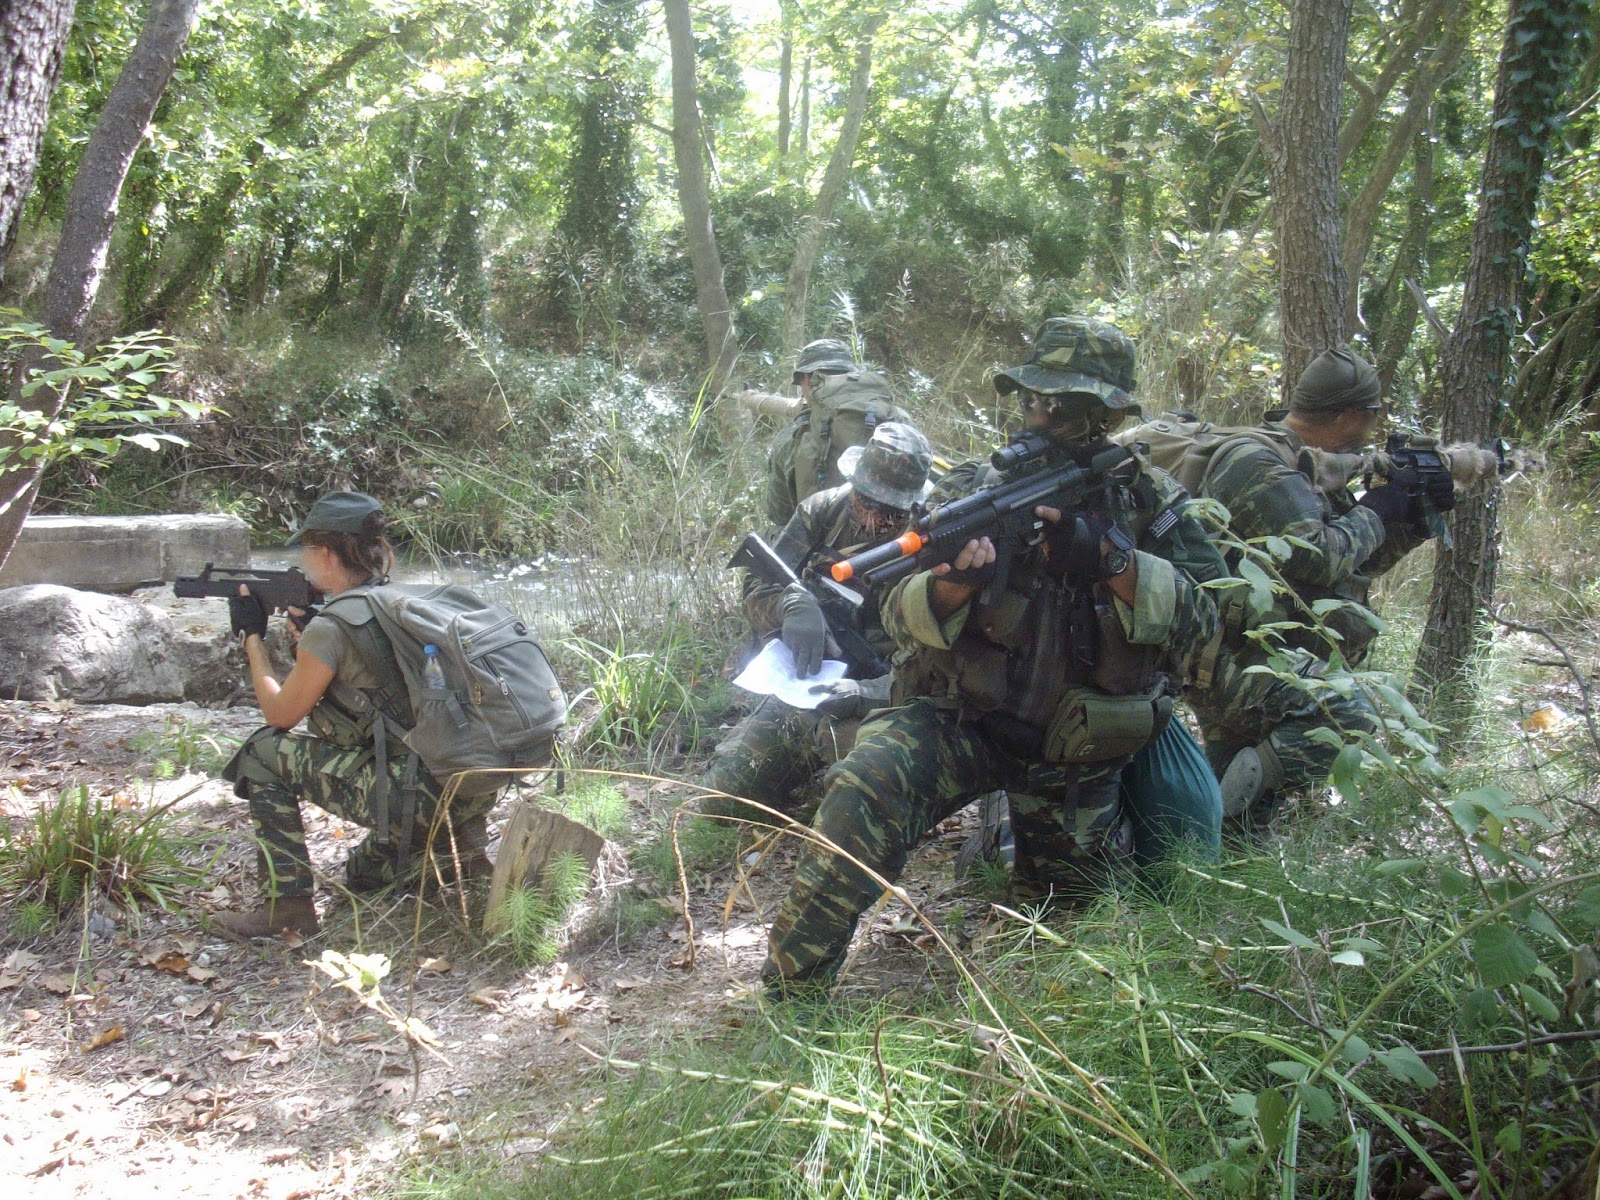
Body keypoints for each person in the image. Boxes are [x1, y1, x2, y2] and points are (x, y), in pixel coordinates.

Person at [761, 317, 1230, 994]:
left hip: (1079, 747)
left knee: (1072, 939)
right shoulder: (974, 493)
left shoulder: (1148, 504)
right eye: (1033, 402)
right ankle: (791, 999)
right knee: (864, 789)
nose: (1039, 420)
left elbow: (1212, 626)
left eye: (1063, 411)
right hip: (963, 720)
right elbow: (893, 613)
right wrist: (954, 586)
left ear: (1105, 418)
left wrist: (1114, 562)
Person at [211, 492, 501, 937]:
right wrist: (310, 636)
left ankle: (286, 906)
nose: (304, 562)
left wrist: (252, 638)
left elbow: (279, 715)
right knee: (364, 877)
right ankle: (451, 853)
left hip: (414, 795)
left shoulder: (332, 625)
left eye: (307, 551)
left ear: (325, 554)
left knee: (261, 751)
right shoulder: (396, 602)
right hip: (467, 784)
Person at [1183, 346, 1438, 822]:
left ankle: (1203, 857)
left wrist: (1410, 519)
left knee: (1244, 816)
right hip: (1231, 655)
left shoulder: (1313, 463)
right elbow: (1321, 558)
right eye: (1371, 416)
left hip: (1268, 650)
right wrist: (1380, 508)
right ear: (1349, 414)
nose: (1371, 431)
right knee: (1348, 719)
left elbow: (1351, 564)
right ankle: (1221, 814)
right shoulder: (1259, 462)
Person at [707, 422, 934, 819]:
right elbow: (756, 589)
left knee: (864, 798)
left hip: (886, 699)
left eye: (891, 513)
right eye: (866, 503)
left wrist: (865, 693)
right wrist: (791, 605)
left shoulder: (932, 545)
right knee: (722, 801)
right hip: (802, 686)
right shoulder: (822, 512)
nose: (873, 521)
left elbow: (935, 667)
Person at [764, 338, 911, 527]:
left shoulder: (791, 437)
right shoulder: (897, 419)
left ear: (807, 379)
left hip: (831, 551)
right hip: (897, 539)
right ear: (851, 374)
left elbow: (779, 514)